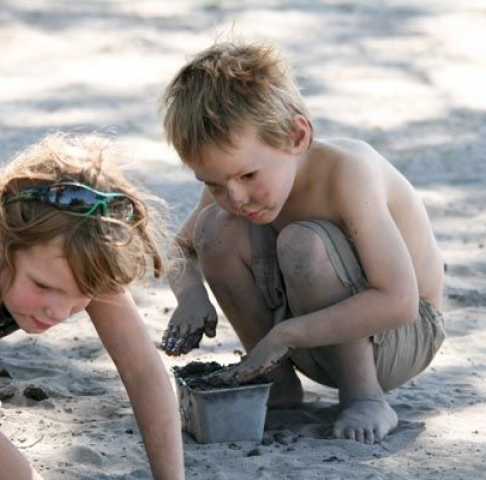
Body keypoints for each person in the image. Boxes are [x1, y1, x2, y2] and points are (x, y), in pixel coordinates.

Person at [158, 39, 446, 445]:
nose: (235, 196)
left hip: (400, 338)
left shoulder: (348, 173)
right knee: (214, 227)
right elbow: (180, 247)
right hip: (310, 335)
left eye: (248, 176)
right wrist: (190, 295)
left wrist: (284, 336)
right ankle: (275, 382)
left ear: (296, 135)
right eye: (213, 183)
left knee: (302, 242)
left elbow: (398, 302)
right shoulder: (233, 183)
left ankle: (365, 396)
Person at [0, 133, 184, 479]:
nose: (58, 312)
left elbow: (143, 373)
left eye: (80, 295)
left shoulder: (76, 248)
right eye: (42, 286)